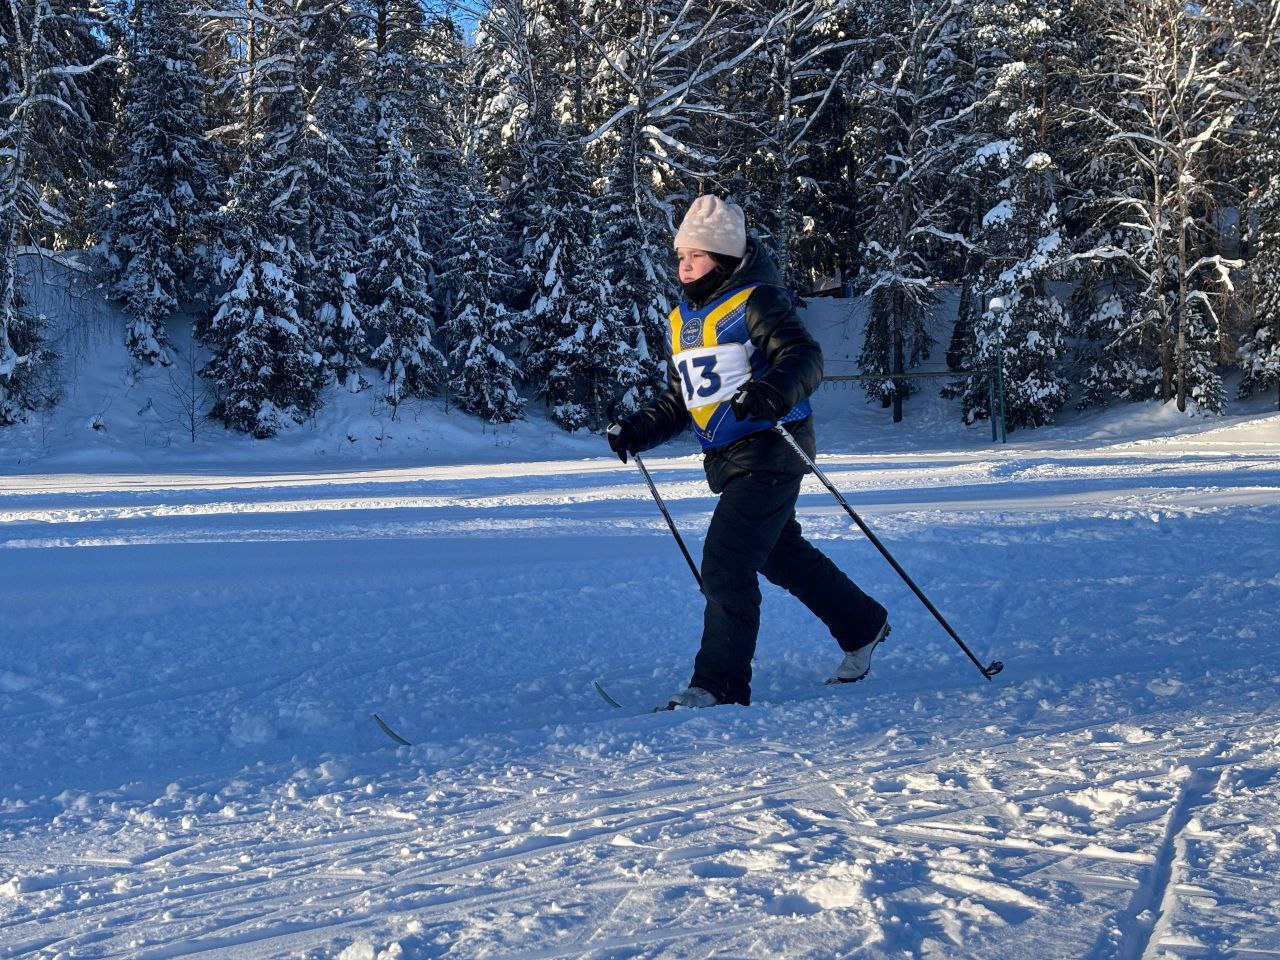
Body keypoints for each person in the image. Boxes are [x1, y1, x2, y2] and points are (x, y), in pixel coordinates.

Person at [607, 195, 890, 709]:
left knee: (725, 562)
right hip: (729, 460)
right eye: (680, 256)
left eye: (696, 255)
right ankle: (863, 623)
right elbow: (683, 398)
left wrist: (773, 390)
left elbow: (804, 357)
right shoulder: (681, 319)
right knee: (782, 556)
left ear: (725, 257)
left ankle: (719, 684)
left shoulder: (756, 300)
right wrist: (637, 429)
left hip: (772, 450)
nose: (685, 265)